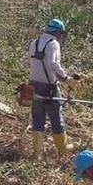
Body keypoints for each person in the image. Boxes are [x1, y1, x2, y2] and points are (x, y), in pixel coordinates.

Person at [28, 19, 74, 158]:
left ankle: (37, 154)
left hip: (34, 86)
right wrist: (66, 79)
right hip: (50, 88)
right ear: (58, 33)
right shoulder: (53, 44)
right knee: (56, 119)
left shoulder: (34, 43)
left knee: (38, 119)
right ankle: (63, 148)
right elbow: (53, 64)